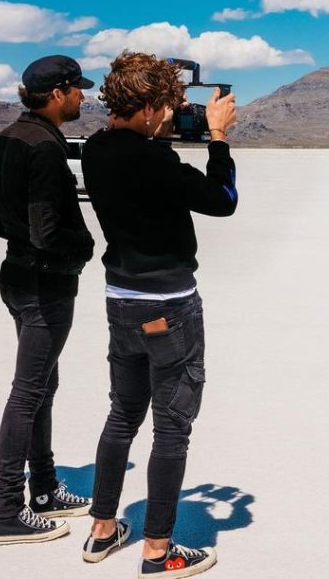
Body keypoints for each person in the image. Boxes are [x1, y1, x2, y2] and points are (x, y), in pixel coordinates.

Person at [81, 52, 238, 578]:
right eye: (168, 106)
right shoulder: (157, 161)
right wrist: (217, 138)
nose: (174, 114)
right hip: (169, 308)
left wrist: (160, 131)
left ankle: (103, 529)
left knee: (122, 415)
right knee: (172, 428)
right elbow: (223, 201)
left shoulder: (97, 150)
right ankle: (157, 550)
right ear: (148, 108)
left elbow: (138, 158)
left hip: (120, 300)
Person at [0, 55, 96, 544]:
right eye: (77, 90)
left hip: (15, 276)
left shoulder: (5, 139)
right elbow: (47, 230)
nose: (83, 98)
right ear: (57, 94)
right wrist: (85, 248)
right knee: (28, 392)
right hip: (45, 284)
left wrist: (25, 244)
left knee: (42, 387)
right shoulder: (45, 149)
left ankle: (45, 489)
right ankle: (8, 511)